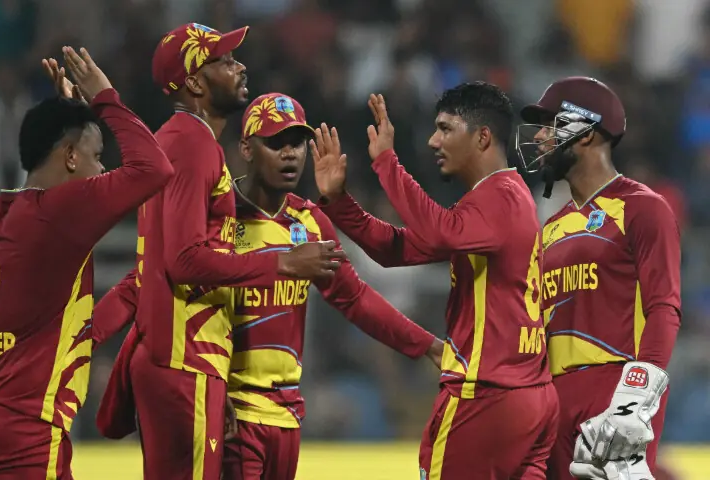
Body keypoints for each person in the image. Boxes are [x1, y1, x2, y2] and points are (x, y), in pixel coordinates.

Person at [92, 24, 344, 480]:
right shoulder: (193, 145)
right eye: (224, 61)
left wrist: (87, 334)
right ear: (194, 82)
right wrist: (285, 261)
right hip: (183, 360)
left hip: (190, 360)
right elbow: (183, 261)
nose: (240, 66)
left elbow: (151, 269)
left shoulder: (183, 142)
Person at [0, 46, 174, 480]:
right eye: (97, 155)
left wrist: (138, 288)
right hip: (26, 429)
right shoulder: (61, 210)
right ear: (68, 157)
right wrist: (105, 97)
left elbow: (59, 324)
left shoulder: (2, 211)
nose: (103, 170)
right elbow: (154, 168)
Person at [313, 83, 559, 479]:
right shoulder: (498, 202)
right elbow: (396, 251)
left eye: (445, 128)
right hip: (529, 398)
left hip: (486, 395)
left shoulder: (501, 199)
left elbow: (440, 232)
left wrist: (387, 164)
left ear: (482, 137)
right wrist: (340, 202)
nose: (432, 141)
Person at [219, 92, 443, 480]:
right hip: (232, 413)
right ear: (245, 149)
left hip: (287, 414)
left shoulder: (309, 222)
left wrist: (427, 345)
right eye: (275, 143)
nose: (289, 154)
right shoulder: (217, 217)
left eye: (297, 143)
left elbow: (353, 298)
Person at [516, 76, 680, 480]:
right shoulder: (548, 228)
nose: (539, 137)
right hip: (550, 401)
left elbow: (664, 306)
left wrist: (636, 397)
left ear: (586, 133)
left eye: (550, 124)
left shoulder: (642, 207)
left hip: (614, 388)